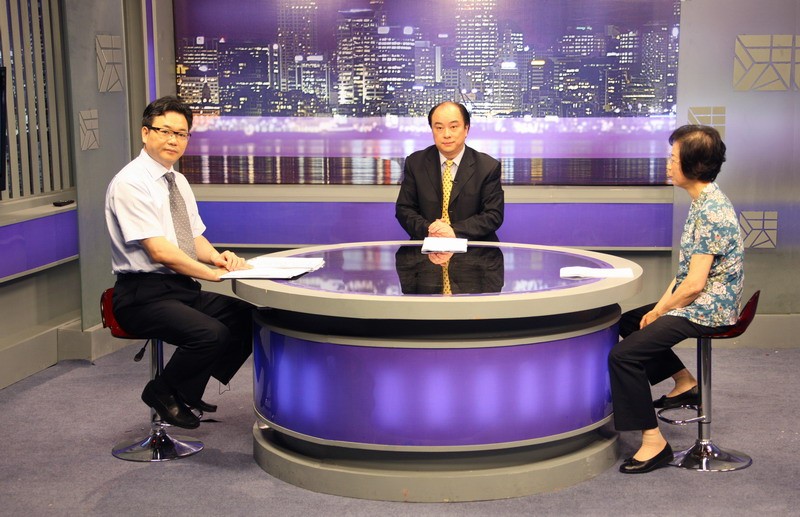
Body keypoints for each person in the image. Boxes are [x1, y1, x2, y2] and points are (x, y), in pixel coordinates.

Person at [105, 96, 254, 429]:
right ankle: (162, 391)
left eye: (181, 134)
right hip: (141, 295)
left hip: (178, 288)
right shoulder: (131, 183)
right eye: (165, 131)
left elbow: (192, 237)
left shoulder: (177, 181)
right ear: (145, 133)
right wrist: (211, 274)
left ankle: (186, 390)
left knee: (246, 317)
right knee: (211, 333)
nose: (173, 140)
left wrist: (217, 257)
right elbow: (159, 251)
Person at [608, 125, 744, 473]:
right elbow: (685, 275)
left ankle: (654, 442)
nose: (668, 163)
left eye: (673, 157)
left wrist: (662, 311)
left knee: (623, 356)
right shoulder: (702, 202)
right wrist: (657, 308)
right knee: (630, 321)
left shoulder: (712, 210)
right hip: (699, 299)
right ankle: (685, 382)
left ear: (694, 164)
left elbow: (695, 285)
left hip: (709, 309)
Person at [395, 101, 504, 242]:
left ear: (466, 129)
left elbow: (493, 215)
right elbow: (404, 209)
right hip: (428, 244)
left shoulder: (488, 167)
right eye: (439, 128)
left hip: (474, 248)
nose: (446, 134)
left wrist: (453, 231)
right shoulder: (415, 163)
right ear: (432, 130)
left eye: (453, 127)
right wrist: (430, 230)